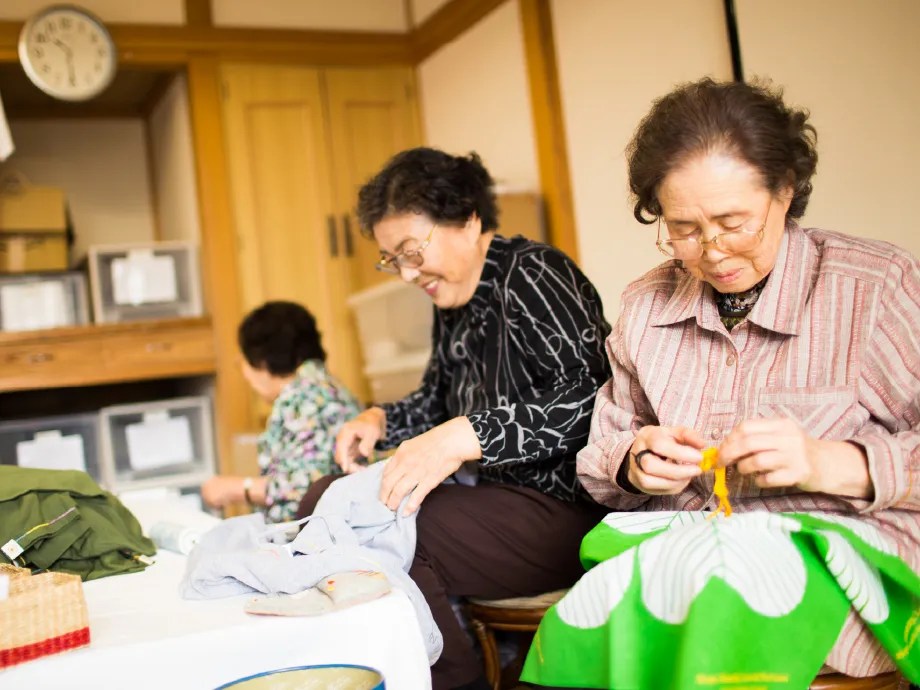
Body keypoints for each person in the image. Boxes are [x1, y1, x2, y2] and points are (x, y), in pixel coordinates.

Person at [522, 78, 920, 689]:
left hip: (845, 560)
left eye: (734, 223)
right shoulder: (647, 306)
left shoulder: (874, 286)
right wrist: (635, 463)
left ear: (785, 191)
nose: (711, 251)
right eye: (683, 228)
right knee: (583, 620)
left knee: (713, 613)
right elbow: (601, 453)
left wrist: (827, 462)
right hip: (686, 551)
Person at [297, 147, 612, 690]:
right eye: (392, 259)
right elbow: (439, 401)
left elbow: (591, 399)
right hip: (496, 502)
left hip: (565, 508)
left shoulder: (534, 273)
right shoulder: (454, 299)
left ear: (467, 219)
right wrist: (378, 420)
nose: (406, 273)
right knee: (325, 500)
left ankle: (453, 681)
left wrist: (470, 435)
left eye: (411, 251)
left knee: (394, 527)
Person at [201, 301, 360, 522]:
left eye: (243, 361)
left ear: (262, 361)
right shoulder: (329, 387)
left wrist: (236, 488)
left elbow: (304, 489)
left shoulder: (301, 397)